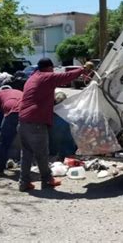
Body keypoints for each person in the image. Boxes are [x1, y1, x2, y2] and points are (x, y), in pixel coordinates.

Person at [18, 57, 87, 192]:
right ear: (49, 68)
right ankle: (47, 179)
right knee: (42, 153)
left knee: (26, 153)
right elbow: (66, 77)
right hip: (36, 122)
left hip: (23, 121)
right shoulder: (46, 77)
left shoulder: (32, 77)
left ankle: (24, 182)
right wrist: (83, 69)